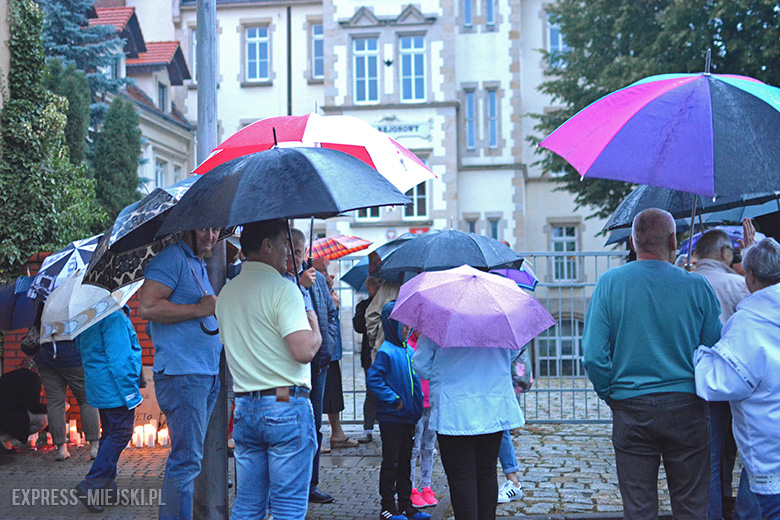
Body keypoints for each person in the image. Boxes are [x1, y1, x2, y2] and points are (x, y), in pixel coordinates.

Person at [582, 208, 722, 519]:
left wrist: (610, 392)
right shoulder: (697, 287)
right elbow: (715, 350)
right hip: (687, 406)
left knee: (639, 508)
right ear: (674, 240)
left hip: (631, 406)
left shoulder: (610, 283)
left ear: (632, 241)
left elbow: (592, 354)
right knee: (691, 506)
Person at [215, 219, 321, 520]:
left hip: (245, 407)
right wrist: (316, 329)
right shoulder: (283, 289)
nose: (288, 251)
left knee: (248, 505)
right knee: (287, 507)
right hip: (285, 403)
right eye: (284, 244)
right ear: (267, 246)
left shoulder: (226, 294)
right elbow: (303, 351)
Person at [139, 227, 223, 520]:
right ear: (187, 227)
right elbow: (147, 307)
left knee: (189, 462)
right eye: (204, 228)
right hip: (184, 375)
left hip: (201, 374)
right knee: (186, 463)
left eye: (216, 230)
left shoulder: (196, 262)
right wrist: (197, 310)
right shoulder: (171, 259)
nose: (211, 236)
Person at [695, 238, 780, 520]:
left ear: (750, 276)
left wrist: (702, 356)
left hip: (770, 449)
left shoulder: (749, 323)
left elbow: (721, 382)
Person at [413, 334, 525, 520]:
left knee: (461, 477)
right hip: (492, 405)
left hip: (454, 409)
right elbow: (513, 353)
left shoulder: (440, 324)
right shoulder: (497, 322)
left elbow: (422, 366)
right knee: (487, 472)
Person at [74, 307, 143, 513]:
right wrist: (131, 391)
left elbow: (81, 347)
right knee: (121, 433)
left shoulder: (86, 315)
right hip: (116, 387)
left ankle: (107, 489)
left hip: (99, 385)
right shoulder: (113, 316)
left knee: (110, 434)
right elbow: (121, 359)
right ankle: (92, 484)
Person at [366, 302, 429, 520]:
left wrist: (416, 406)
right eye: (403, 326)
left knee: (404, 463)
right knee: (391, 462)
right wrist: (394, 400)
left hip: (407, 418)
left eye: (408, 326)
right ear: (391, 324)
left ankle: (406, 504)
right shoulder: (386, 351)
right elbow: (373, 379)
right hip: (391, 417)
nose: (407, 329)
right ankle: (387, 507)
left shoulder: (408, 349)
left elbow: (415, 381)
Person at [288, 228, 338, 503]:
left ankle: (311, 483)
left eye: (301, 251)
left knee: (314, 426)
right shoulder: (287, 282)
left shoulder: (316, 279)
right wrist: (299, 285)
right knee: (294, 425)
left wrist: (326, 344)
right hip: (293, 366)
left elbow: (330, 313)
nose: (298, 257)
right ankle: (293, 485)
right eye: (293, 252)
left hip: (318, 363)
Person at [32, 331, 100, 461]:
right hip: (73, 356)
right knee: (86, 400)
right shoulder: (74, 311)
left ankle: (61, 449)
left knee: (55, 403)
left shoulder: (41, 311)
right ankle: (94, 448)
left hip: (46, 358)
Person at [497, 347, 533, 504]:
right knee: (500, 429)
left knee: (500, 429)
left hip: (495, 388)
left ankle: (513, 482)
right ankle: (512, 481)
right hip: (495, 388)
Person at [407, 330, 438, 509]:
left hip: (431, 405)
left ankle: (426, 486)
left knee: (428, 447)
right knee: (414, 448)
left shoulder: (433, 346)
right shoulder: (410, 349)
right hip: (417, 406)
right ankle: (411, 488)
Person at [354, 275, 381, 443]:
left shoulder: (389, 302)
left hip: (385, 351)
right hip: (369, 353)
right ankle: (368, 427)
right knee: (371, 391)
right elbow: (358, 326)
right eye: (374, 285)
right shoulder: (363, 305)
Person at [0, 360, 48, 450]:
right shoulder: (33, 379)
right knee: (43, 420)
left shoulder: (8, 376)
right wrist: (51, 408)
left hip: (4, 414)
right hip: (10, 416)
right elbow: (34, 408)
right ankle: (4, 439)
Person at [366, 252, 401, 362]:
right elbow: (372, 316)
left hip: (386, 349)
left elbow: (371, 315)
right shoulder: (390, 285)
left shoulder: (390, 286)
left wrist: (377, 341)